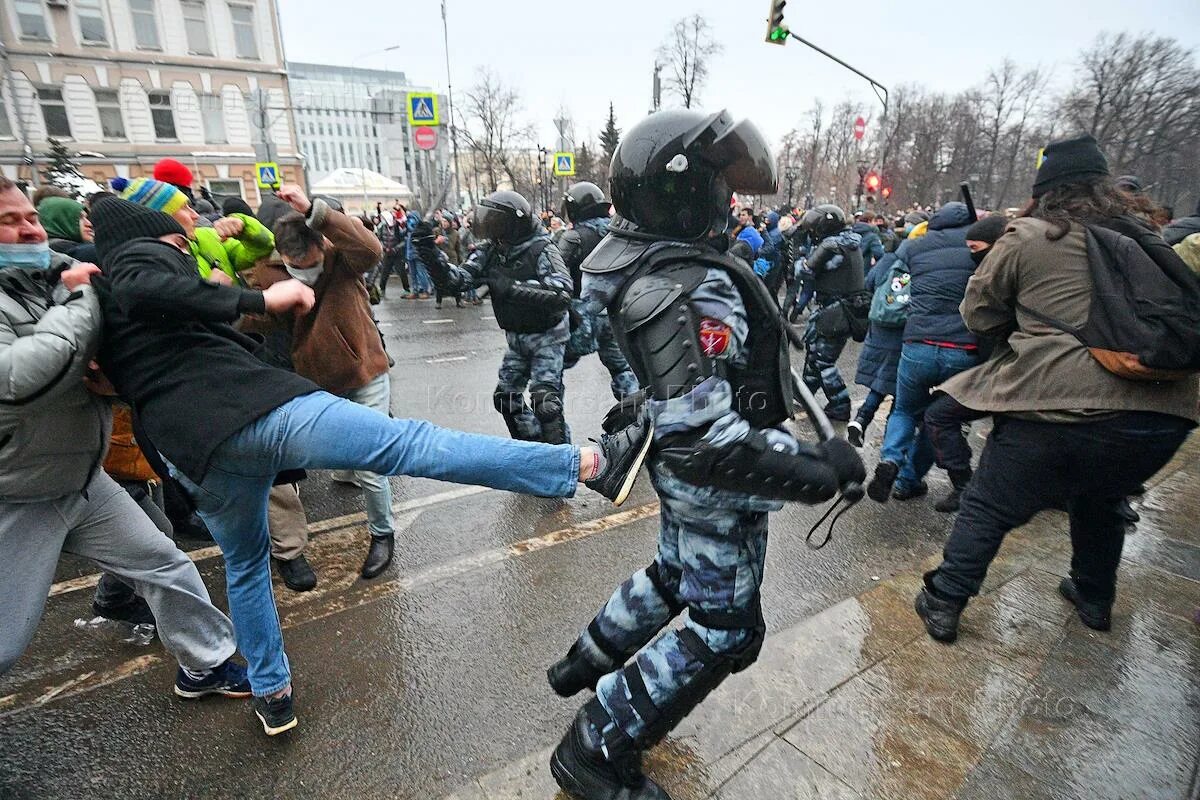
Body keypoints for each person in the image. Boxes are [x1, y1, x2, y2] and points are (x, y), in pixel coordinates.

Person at [89, 195, 642, 736]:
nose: (187, 246)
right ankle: (588, 465)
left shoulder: (96, 296)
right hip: (254, 411)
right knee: (412, 444)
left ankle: (272, 694)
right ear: (149, 239)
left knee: (246, 566)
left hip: (196, 449)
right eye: (178, 239)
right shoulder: (137, 260)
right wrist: (256, 301)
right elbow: (147, 284)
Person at [545, 109, 865, 800]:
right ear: (683, 192)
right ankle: (595, 743)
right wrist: (818, 471)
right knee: (726, 629)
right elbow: (706, 441)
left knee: (672, 574)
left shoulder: (656, 264)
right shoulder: (691, 283)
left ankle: (587, 658)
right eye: (718, 184)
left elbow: (677, 397)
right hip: (712, 481)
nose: (729, 198)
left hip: (685, 470)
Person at [915, 134, 1197, 643]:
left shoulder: (1030, 236)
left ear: (1043, 190)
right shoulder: (1148, 237)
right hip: (1162, 417)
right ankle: (1093, 598)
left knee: (989, 503)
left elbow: (977, 312)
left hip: (1054, 406)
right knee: (1102, 498)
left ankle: (945, 598)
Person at [0, 178, 251, 702]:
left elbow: (87, 360)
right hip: (17, 492)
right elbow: (19, 378)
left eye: (31, 217)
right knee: (5, 643)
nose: (29, 230)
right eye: (10, 221)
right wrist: (77, 300)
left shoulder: (48, 278)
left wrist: (113, 379)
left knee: (164, 562)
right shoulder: (66, 286)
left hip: (83, 478)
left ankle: (204, 664)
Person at [267, 184, 398, 580]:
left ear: (322, 246)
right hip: (315, 383)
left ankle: (383, 534)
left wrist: (316, 211)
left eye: (311, 262)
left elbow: (373, 249)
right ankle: (343, 475)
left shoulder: (343, 262)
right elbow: (258, 322)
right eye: (296, 264)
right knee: (332, 454)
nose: (305, 271)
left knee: (372, 461)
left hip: (365, 373)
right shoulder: (270, 275)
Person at [418, 190, 574, 445]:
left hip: (547, 335)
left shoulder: (542, 248)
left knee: (546, 401)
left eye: (496, 223)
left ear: (513, 224)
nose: (491, 230)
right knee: (505, 397)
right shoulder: (491, 250)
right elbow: (455, 281)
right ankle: (533, 448)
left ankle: (562, 461)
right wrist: (428, 252)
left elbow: (562, 291)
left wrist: (514, 289)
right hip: (516, 338)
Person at [866, 201, 980, 503]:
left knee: (904, 409)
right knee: (941, 419)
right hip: (963, 348)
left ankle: (890, 460)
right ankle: (909, 480)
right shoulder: (979, 248)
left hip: (918, 344)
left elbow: (893, 287)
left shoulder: (915, 246)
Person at [920, 214, 1011, 512]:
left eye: (976, 248)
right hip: (994, 366)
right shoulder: (991, 272)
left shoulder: (1014, 274)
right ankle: (964, 484)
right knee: (940, 414)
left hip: (1019, 372)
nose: (972, 256)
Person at [559, 181, 639, 400]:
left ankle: (549, 427)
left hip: (581, 315)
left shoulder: (573, 237)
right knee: (622, 369)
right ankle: (635, 417)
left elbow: (557, 271)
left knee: (549, 370)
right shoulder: (619, 233)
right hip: (615, 314)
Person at [117, 177, 274, 285]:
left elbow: (263, 248)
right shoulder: (148, 265)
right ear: (162, 218)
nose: (195, 215)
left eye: (190, 206)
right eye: (183, 208)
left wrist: (244, 226)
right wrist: (212, 291)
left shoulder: (205, 236)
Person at [798, 204, 864, 422]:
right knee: (815, 353)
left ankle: (840, 404)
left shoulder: (831, 245)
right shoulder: (851, 243)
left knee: (823, 360)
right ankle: (803, 395)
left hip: (834, 312)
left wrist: (799, 253)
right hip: (843, 309)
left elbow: (805, 270)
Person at [846, 247, 906, 447]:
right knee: (901, 392)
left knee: (880, 383)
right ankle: (891, 441)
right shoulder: (925, 262)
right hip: (904, 333)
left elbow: (868, 284)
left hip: (880, 331)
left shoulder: (888, 259)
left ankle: (860, 420)